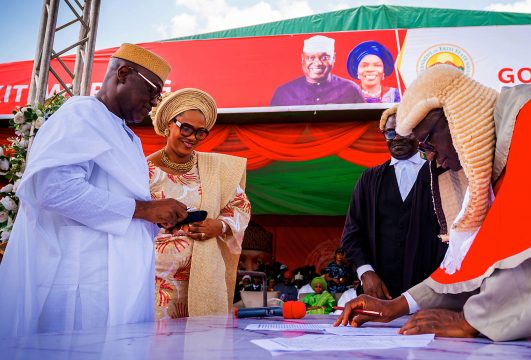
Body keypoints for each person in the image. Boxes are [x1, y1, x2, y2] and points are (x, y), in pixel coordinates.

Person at [335, 64, 531, 345]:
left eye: (428, 141)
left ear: (457, 117)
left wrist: (470, 320)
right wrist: (397, 306)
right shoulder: (502, 160)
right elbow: (474, 263)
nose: (430, 157)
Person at [0, 43, 189, 337]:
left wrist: (153, 218)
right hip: (84, 283)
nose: (154, 103)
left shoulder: (125, 134)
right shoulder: (81, 115)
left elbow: (115, 198)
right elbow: (54, 190)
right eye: (152, 92)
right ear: (124, 73)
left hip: (115, 279)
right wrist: (144, 210)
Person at [148, 88, 251, 319]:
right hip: (152, 281)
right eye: (186, 128)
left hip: (204, 278)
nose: (192, 137)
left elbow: (240, 207)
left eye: (200, 132)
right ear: (168, 125)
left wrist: (220, 226)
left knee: (200, 346)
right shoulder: (143, 169)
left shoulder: (216, 169)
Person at [340, 107, 447, 299]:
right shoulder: (369, 179)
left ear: (418, 132)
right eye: (390, 132)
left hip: (427, 293)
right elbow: (351, 234)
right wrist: (365, 272)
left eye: (404, 130)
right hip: (378, 294)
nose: (396, 137)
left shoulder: (438, 174)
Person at [270, 35, 364, 106]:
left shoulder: (351, 89)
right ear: (303, 59)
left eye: (325, 57)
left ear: (334, 58)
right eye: (311, 57)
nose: (318, 63)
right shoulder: (284, 92)